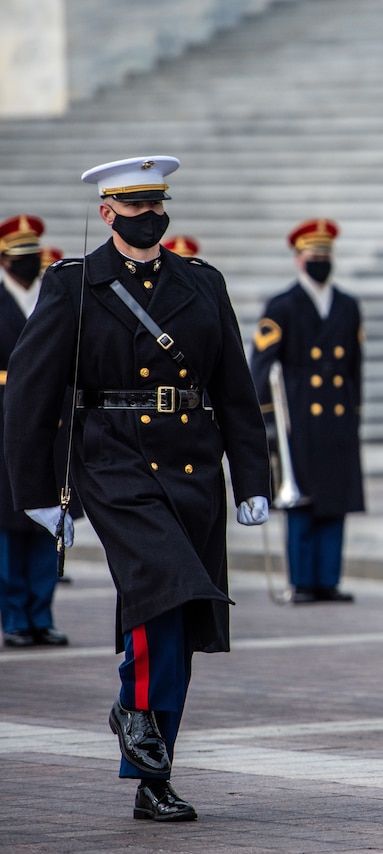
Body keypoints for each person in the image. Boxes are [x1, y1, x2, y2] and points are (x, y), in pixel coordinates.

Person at [3, 156, 271, 821]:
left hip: (193, 465)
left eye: (157, 204)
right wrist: (36, 491)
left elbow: (236, 391)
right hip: (112, 459)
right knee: (165, 589)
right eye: (133, 207)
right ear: (106, 214)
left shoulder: (203, 283)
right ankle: (135, 711)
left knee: (177, 618)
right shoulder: (74, 284)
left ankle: (155, 773)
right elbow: (31, 395)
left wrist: (252, 478)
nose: (149, 216)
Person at [249, 219, 364, 604]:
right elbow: (261, 366)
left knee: (334, 498)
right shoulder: (282, 306)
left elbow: (355, 367)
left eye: (325, 256)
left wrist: (355, 413)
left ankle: (327, 579)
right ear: (299, 259)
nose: (320, 261)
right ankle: (301, 581)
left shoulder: (347, 305)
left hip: (337, 417)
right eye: (313, 256)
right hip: (297, 415)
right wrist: (266, 421)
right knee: (300, 500)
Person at [0, 215, 69, 647]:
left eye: (33, 257)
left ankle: (41, 613)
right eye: (20, 258)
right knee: (8, 524)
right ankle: (13, 616)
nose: (28, 265)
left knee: (49, 521)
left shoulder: (53, 294)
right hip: (3, 421)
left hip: (51, 419)